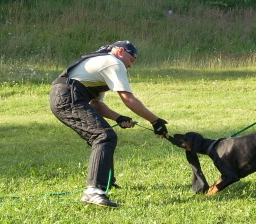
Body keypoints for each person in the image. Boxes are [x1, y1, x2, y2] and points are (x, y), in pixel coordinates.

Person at [50, 40, 168, 207]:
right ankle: (94, 191)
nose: (130, 65)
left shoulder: (102, 63)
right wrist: (155, 121)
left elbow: (96, 105)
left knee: (103, 135)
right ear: (120, 51)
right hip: (68, 98)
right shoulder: (113, 62)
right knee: (103, 136)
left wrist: (119, 118)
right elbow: (128, 99)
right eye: (131, 59)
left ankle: (107, 182)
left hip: (68, 96)